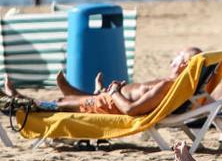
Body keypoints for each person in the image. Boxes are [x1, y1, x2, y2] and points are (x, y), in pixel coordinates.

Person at [2, 47, 204, 116]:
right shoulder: (176, 85)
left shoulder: (168, 86)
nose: (173, 58)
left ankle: (19, 101)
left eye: (178, 56)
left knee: (59, 104)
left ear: (185, 65)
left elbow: (131, 110)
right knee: (66, 101)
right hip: (109, 100)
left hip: (110, 105)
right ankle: (92, 92)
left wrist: (115, 92)